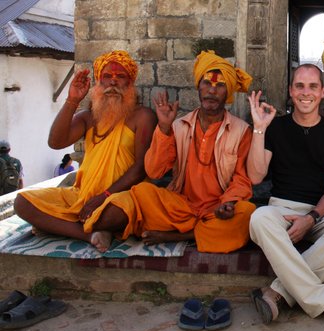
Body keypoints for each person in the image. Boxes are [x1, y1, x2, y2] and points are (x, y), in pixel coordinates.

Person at [84, 51, 256, 253]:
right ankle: (198, 231)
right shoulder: (179, 126)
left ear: (227, 93)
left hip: (217, 209)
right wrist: (164, 128)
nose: (212, 90)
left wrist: (228, 204)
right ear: (198, 88)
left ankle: (178, 235)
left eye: (219, 86)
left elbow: (242, 179)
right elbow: (155, 171)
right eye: (206, 84)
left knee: (247, 213)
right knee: (140, 194)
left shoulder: (241, 131)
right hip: (179, 207)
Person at [246, 64, 324, 324]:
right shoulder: (275, 128)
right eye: (299, 86)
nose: (306, 93)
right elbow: (256, 176)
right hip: (281, 210)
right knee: (259, 219)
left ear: (322, 92)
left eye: (313, 86)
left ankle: (277, 292)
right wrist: (259, 128)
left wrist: (312, 218)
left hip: (320, 213)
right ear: (291, 91)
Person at [14, 50, 157, 249]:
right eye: (107, 77)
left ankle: (61, 225)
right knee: (22, 203)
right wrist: (72, 100)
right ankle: (88, 234)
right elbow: (56, 142)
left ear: (130, 84)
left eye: (120, 77)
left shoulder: (143, 116)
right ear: (98, 83)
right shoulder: (87, 117)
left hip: (121, 196)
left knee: (117, 213)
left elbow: (141, 168)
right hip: (83, 195)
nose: (113, 82)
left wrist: (103, 197)